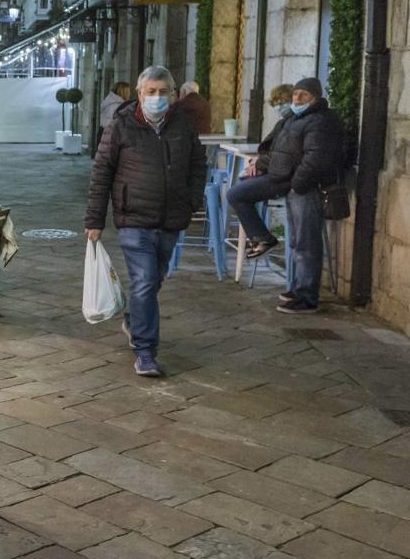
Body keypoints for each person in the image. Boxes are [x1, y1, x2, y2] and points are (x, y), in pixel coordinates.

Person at [84, 66, 206, 377]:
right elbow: (102, 173)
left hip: (170, 218)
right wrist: (95, 219)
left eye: (163, 92)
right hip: (133, 217)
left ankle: (133, 319)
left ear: (173, 94)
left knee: (153, 280)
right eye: (150, 92)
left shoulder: (183, 124)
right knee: (145, 281)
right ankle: (145, 350)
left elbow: (197, 163)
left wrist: (192, 200)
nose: (156, 97)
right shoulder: (121, 125)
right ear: (139, 94)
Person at [228, 78, 343, 314]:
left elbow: (315, 158)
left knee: (305, 241)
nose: (297, 99)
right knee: (238, 194)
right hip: (282, 180)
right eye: (296, 94)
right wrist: (260, 163)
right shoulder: (292, 119)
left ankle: (306, 296)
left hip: (304, 186)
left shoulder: (320, 121)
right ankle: (265, 240)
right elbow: (277, 151)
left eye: (304, 95)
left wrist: (297, 184)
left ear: (317, 97)